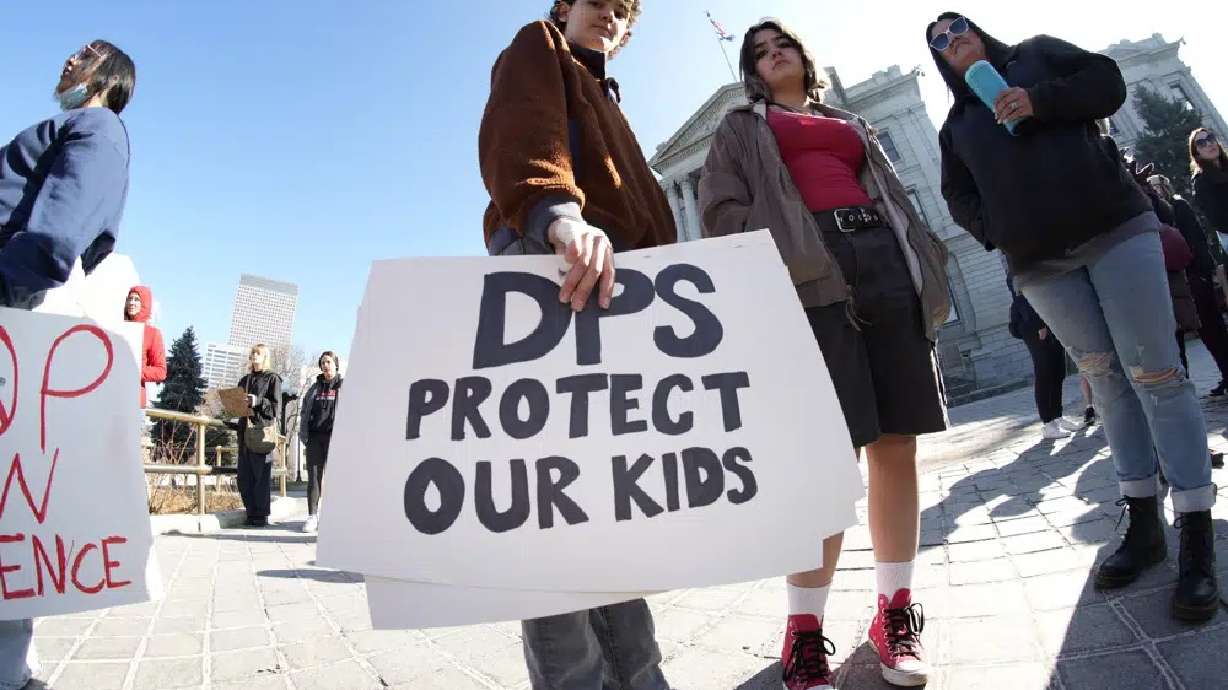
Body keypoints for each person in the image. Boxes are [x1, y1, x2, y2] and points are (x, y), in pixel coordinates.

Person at [929, 12, 1219, 622]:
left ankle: (1196, 530)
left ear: (978, 32)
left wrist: (1038, 100)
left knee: (1158, 376)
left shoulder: (1036, 57)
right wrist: (994, 229)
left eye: (958, 28)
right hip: (1039, 266)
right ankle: (1143, 522)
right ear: (940, 63)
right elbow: (956, 196)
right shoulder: (955, 127)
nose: (953, 41)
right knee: (1106, 385)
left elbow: (1107, 82)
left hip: (1115, 229)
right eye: (940, 43)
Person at [700, 19, 951, 688]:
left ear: (802, 56)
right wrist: (786, 246)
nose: (773, 52)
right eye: (759, 52)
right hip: (812, 274)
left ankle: (894, 613)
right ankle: (804, 629)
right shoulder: (739, 127)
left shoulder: (849, 120)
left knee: (897, 444)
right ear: (753, 71)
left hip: (884, 262)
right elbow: (719, 211)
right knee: (829, 458)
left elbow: (893, 194)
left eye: (781, 42)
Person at [479, 2, 675, 688]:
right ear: (566, 7)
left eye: (626, 13)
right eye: (601, 2)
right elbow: (521, 131)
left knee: (611, 509)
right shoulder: (540, 45)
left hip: (622, 291)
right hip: (558, 266)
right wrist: (559, 218)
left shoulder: (609, 99)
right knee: (556, 518)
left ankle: (640, 674)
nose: (612, 17)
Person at [0, 39, 135, 690]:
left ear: (109, 78)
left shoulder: (97, 128)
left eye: (84, 55)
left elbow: (55, 238)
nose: (66, 62)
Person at [1007, 274, 1081, 439]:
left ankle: (1057, 416)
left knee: (1058, 373)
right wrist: (1038, 325)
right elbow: (1021, 297)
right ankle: (1048, 423)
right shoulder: (1020, 295)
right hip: (1036, 328)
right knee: (1045, 374)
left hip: (1049, 325)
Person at [228, 344, 282, 528]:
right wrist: (232, 404)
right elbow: (238, 408)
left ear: (265, 356)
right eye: (252, 353)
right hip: (244, 432)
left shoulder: (272, 379)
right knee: (244, 477)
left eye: (258, 353)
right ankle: (250, 511)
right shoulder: (244, 380)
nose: (253, 356)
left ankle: (261, 515)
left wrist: (257, 401)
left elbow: (275, 408)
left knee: (261, 476)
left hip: (261, 433)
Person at [298, 351, 342, 533]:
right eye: (323, 362)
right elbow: (304, 412)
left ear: (336, 365)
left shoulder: (344, 386)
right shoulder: (314, 389)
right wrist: (304, 434)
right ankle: (312, 516)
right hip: (315, 438)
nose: (326, 365)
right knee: (314, 479)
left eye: (329, 362)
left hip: (336, 439)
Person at [124, 285, 166, 407]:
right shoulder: (116, 328)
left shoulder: (152, 333)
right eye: (129, 299)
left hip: (134, 397)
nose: (131, 302)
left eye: (137, 299)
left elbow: (161, 371)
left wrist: (135, 370)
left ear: (145, 304)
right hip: (110, 392)